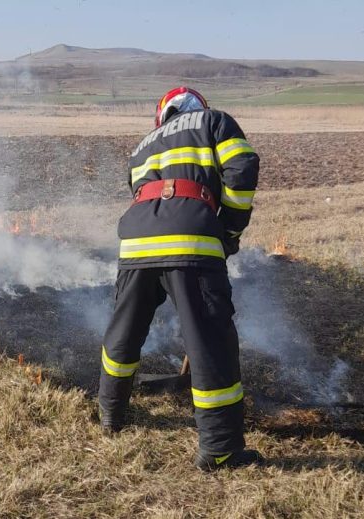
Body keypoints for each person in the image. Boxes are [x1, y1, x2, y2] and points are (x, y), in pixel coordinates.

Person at [98, 86, 261, 471]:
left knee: (123, 332)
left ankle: (111, 415)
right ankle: (220, 449)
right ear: (196, 107)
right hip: (191, 238)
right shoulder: (214, 121)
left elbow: (140, 193)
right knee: (209, 342)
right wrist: (229, 230)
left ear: (162, 115)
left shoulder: (142, 146)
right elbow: (242, 167)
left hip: (135, 242)